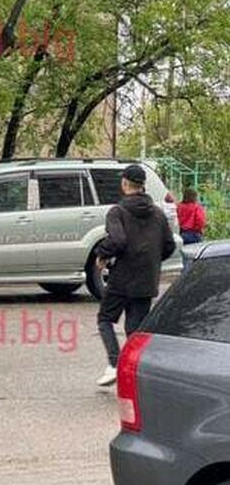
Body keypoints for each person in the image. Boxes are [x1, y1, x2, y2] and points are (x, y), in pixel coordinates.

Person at [95, 164, 176, 387]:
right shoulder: (158, 214)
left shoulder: (117, 212)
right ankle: (135, 373)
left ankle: (114, 363)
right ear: (143, 186)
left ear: (124, 183)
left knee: (105, 319)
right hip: (146, 280)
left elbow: (117, 240)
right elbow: (168, 245)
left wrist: (102, 256)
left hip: (121, 279)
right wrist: (149, 260)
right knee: (134, 328)